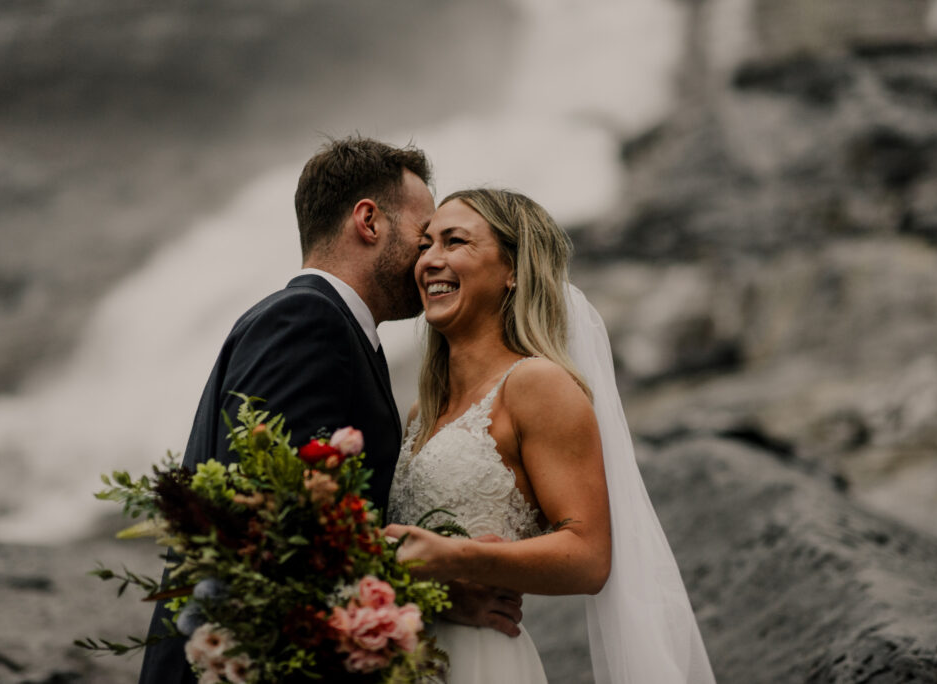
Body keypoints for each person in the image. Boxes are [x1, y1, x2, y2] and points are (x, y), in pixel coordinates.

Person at [137, 138, 521, 684]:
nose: (430, 257)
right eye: (423, 234)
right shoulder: (306, 323)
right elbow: (271, 526)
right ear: (369, 221)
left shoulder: (329, 330)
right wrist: (434, 596)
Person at [384, 189, 716, 683]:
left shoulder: (538, 385)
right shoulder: (420, 412)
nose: (431, 260)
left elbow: (588, 558)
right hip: (406, 654)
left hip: (481, 664)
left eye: (455, 242)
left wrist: (458, 557)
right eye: (426, 245)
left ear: (513, 270)